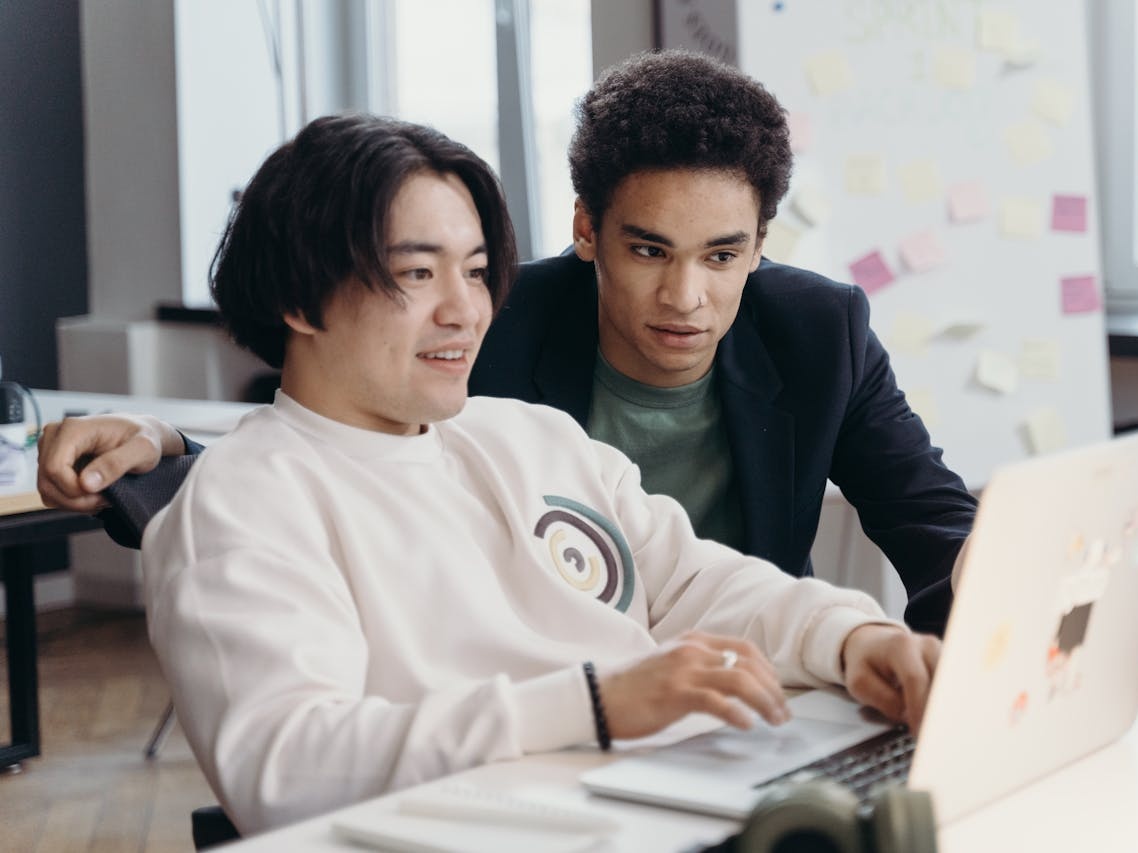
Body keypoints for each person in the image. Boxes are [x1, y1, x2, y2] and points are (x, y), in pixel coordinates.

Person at [130, 113, 940, 835]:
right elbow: (284, 768)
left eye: (476, 270)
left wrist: (852, 637)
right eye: (418, 273)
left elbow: (703, 584)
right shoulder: (245, 500)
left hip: (652, 805)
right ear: (300, 299)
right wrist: (594, 701)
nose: (465, 309)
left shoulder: (529, 436)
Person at [37, 50, 975, 635]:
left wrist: (964, 645)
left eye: (723, 255)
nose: (687, 296)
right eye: (648, 249)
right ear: (586, 229)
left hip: (754, 678)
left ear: (761, 246)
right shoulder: (488, 321)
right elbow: (329, 467)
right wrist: (164, 452)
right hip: (550, 697)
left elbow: (938, 528)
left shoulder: (821, 330)